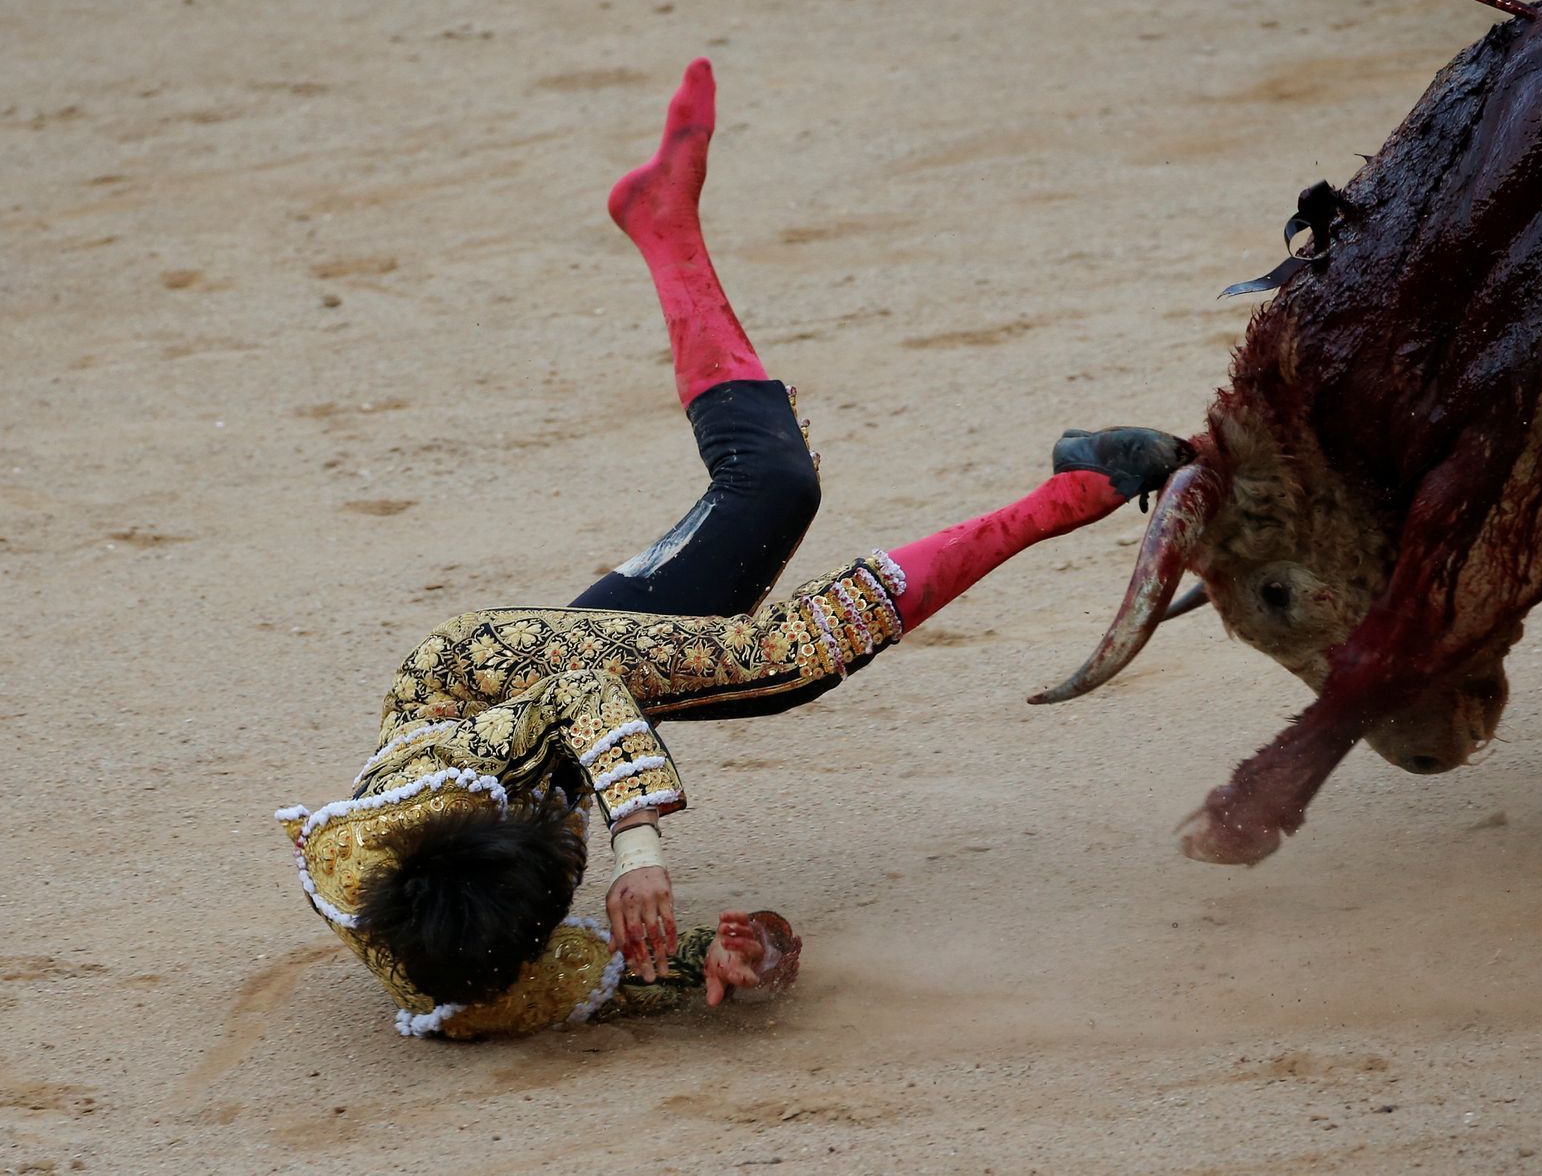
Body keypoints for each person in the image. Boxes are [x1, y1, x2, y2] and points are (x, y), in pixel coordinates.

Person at [275, 58, 1190, 1039]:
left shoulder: (410, 810)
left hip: (474, 677)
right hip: (533, 751)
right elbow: (636, 971)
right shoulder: (492, 995)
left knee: (780, 661)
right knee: (773, 490)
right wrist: (733, 956)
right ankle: (661, 221)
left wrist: (636, 848)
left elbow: (580, 693)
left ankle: (1073, 496)